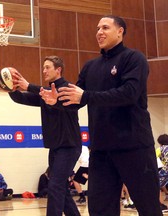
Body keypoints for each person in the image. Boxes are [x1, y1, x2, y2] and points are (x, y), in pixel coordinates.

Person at [39, 15, 162, 215]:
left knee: (148, 208)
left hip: (134, 147)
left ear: (120, 31)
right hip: (101, 150)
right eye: (97, 28)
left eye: (105, 27)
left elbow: (129, 94)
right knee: (99, 210)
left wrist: (86, 96)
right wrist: (57, 102)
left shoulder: (134, 58)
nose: (99, 32)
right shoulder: (90, 66)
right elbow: (75, 100)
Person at [9, 56, 82, 216]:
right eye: (43, 68)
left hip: (69, 147)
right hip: (55, 147)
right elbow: (22, 98)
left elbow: (49, 93)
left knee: (55, 186)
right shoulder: (45, 93)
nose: (44, 71)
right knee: (60, 187)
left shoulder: (67, 88)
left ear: (58, 70)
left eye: (47, 67)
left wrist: (28, 85)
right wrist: (10, 88)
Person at [157, 134, 168, 212]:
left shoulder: (160, 149)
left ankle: (161, 205)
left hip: (165, 170)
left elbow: (154, 159)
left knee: (157, 185)